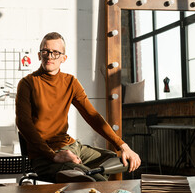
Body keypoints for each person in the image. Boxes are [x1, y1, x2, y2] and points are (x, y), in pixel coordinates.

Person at [16, 32, 141, 182]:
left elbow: (92, 116)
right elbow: (23, 124)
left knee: (119, 161)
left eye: (55, 53)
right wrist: (53, 156)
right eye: (45, 51)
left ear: (64, 58)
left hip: (72, 146)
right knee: (91, 180)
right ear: (39, 55)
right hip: (44, 156)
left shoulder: (70, 82)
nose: (49, 56)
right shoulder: (27, 83)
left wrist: (123, 146)